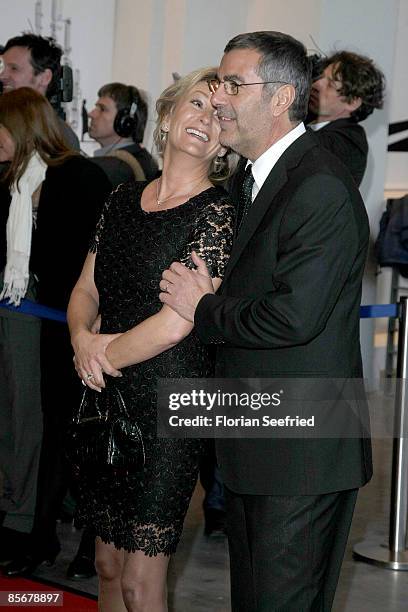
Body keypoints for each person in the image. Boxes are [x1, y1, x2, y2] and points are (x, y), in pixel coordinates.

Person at [159, 31, 372, 611]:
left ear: (280, 98)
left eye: (234, 84)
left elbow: (292, 317)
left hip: (300, 452)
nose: (220, 97)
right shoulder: (259, 179)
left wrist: (201, 306)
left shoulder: (319, 184)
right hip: (260, 442)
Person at [67, 67, 235, 611]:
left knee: (142, 581)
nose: (207, 120)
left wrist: (98, 354)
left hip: (169, 402)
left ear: (225, 141)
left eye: (220, 115)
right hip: (105, 394)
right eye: (197, 105)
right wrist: (79, 339)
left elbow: (177, 321)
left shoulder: (217, 213)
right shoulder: (120, 200)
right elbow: (86, 289)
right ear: (166, 117)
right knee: (107, 566)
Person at [0, 88, 111, 576]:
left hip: (81, 329)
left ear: (23, 127)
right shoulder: (12, 181)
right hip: (38, 329)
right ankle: (36, 535)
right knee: (40, 433)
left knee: (80, 436)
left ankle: (80, 537)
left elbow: (96, 263)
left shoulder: (80, 177)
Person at [307, 50, 385, 186]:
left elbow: (302, 147)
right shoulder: (307, 117)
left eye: (330, 85)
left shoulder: (350, 141)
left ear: (352, 102)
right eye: (320, 77)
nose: (316, 84)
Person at [0, 33, 80, 151]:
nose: (2, 76)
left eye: (14, 68)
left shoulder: (59, 137)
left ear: (44, 78)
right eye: (2, 68)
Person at [89, 82, 159, 181]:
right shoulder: (145, 160)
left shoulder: (116, 168)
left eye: (102, 109)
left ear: (125, 121)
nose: (91, 114)